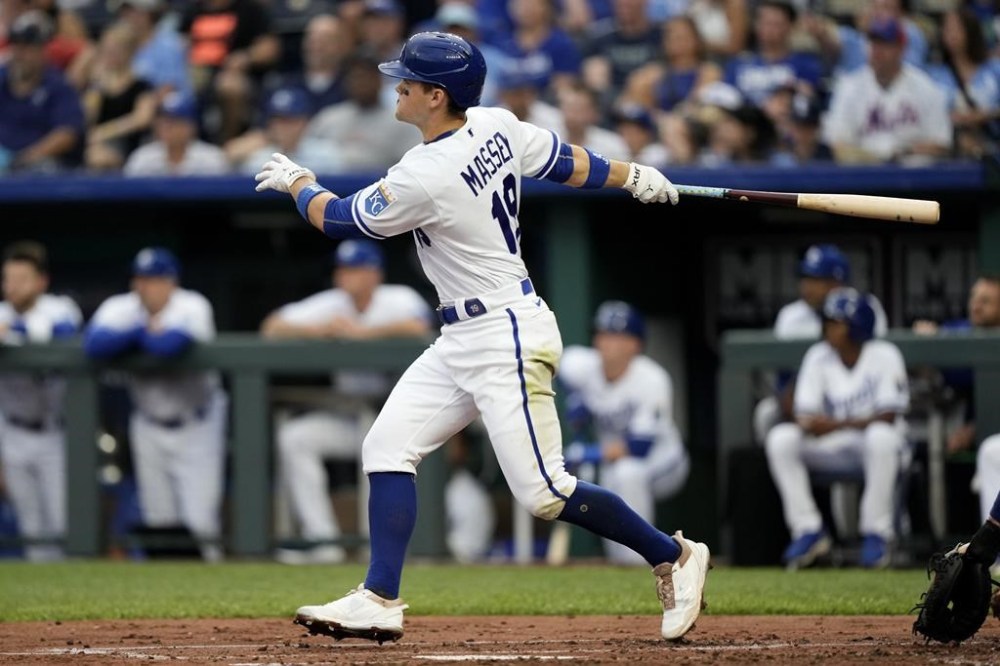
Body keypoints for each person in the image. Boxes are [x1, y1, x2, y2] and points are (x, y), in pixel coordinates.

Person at [253, 31, 709, 644]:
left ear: (436, 96)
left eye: (408, 81)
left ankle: (673, 556)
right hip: (462, 334)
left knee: (544, 493)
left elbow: (336, 219)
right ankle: (379, 596)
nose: (399, 86)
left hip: (504, 333)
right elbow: (569, 163)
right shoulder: (496, 124)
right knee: (387, 448)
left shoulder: (425, 172)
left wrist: (297, 182)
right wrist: (630, 175)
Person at [260, 240, 432, 565]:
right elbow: (272, 326)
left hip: (394, 419)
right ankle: (322, 542)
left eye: (354, 269)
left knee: (383, 460)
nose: (345, 276)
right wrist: (318, 330)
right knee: (295, 438)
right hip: (350, 416)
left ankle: (378, 550)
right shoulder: (332, 304)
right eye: (342, 269)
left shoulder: (397, 298)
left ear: (374, 274)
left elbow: (421, 325)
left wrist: (365, 333)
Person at [83, 247, 228, 562]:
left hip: (197, 423)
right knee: (158, 521)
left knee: (200, 523)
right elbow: (94, 345)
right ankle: (168, 604)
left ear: (171, 282)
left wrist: (129, 340)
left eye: (154, 279)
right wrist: (140, 331)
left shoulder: (192, 305)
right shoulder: (122, 307)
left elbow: (168, 346)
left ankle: (216, 600)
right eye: (140, 278)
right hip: (148, 423)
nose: (145, 286)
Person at [765, 287, 910, 570]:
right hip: (833, 445)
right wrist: (821, 425)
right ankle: (808, 529)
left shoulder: (884, 354)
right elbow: (806, 416)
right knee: (781, 439)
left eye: (836, 322)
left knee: (881, 437)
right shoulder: (818, 355)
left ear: (856, 326)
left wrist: (834, 424)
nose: (828, 328)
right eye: (827, 321)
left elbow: (888, 415)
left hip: (877, 446)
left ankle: (877, 533)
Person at [557, 301, 690, 565]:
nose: (606, 341)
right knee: (607, 486)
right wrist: (574, 397)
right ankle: (619, 565)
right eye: (603, 333)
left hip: (664, 460)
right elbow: (552, 365)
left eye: (617, 335)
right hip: (613, 458)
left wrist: (587, 453)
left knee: (628, 473)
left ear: (635, 344)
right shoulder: (581, 364)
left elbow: (639, 447)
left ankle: (638, 563)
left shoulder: (652, 379)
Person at [753, 243, 889, 445]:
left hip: (859, 398)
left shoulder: (865, 307)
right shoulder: (791, 316)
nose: (805, 286)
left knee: (883, 433)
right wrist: (793, 406)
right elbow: (782, 376)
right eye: (804, 278)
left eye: (815, 279)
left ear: (836, 282)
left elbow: (877, 362)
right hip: (807, 397)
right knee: (766, 414)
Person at [0, 241, 82, 561]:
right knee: (31, 530)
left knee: (63, 523)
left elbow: (64, 335)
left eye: (21, 279)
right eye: (7, 279)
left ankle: (78, 599)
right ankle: (48, 609)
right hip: (14, 430)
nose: (12, 287)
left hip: (55, 432)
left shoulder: (60, 309)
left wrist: (14, 332)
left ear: (40, 282)